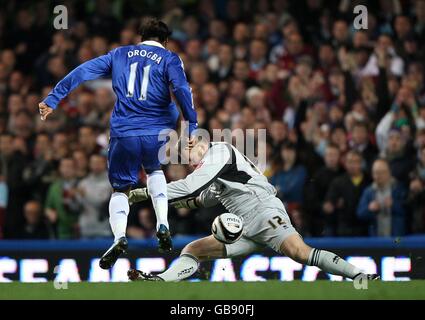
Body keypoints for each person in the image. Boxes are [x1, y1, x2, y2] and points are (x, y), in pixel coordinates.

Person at [38, 19, 198, 268]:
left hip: (123, 133)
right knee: (155, 171)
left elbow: (82, 71)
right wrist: (192, 123)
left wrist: (53, 98)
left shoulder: (120, 55)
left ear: (140, 36)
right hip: (156, 131)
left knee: (120, 189)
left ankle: (119, 236)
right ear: (165, 41)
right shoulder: (170, 58)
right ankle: (163, 223)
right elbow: (180, 88)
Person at [127, 139, 379, 282]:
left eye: (189, 151)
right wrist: (168, 202)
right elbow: (203, 199)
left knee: (299, 252)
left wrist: (149, 191)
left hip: (263, 211)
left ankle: (360, 276)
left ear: (202, 143)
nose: (188, 158)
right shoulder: (212, 172)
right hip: (242, 228)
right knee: (193, 249)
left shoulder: (220, 151)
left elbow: (192, 186)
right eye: (184, 156)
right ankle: (159, 281)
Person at [357, 159, 407, 237]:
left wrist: (394, 205)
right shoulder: (368, 191)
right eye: (376, 172)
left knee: (399, 245)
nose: (378, 176)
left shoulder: (399, 189)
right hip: (376, 239)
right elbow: (360, 214)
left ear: (389, 172)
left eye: (382, 172)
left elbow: (408, 211)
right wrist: (369, 209)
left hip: (398, 237)